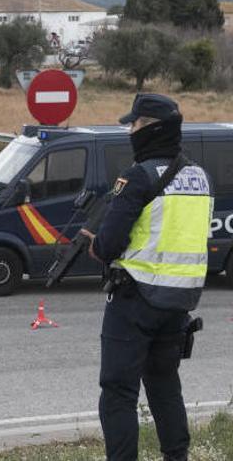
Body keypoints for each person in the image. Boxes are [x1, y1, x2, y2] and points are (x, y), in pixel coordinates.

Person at [81, 94, 212, 461]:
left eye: (135, 124)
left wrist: (97, 245)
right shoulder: (200, 177)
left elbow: (107, 245)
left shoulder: (137, 177)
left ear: (151, 128)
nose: (130, 130)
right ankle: (177, 456)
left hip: (135, 298)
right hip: (179, 303)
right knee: (164, 385)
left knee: (118, 391)